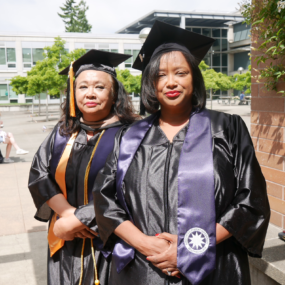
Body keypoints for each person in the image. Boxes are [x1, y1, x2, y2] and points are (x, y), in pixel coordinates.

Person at [93, 21, 270, 285]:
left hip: (213, 267)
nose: (171, 82)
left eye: (181, 72)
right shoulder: (128, 137)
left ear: (194, 78)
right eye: (161, 75)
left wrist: (191, 247)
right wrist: (146, 245)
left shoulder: (227, 129)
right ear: (151, 83)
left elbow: (250, 200)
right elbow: (104, 199)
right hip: (143, 268)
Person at [28, 50, 139, 285]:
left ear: (114, 94)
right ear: (73, 92)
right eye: (82, 87)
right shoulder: (62, 133)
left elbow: (133, 187)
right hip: (66, 241)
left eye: (100, 87)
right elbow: (39, 174)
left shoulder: (131, 134)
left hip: (110, 239)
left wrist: (80, 219)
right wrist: (67, 214)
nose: (90, 93)